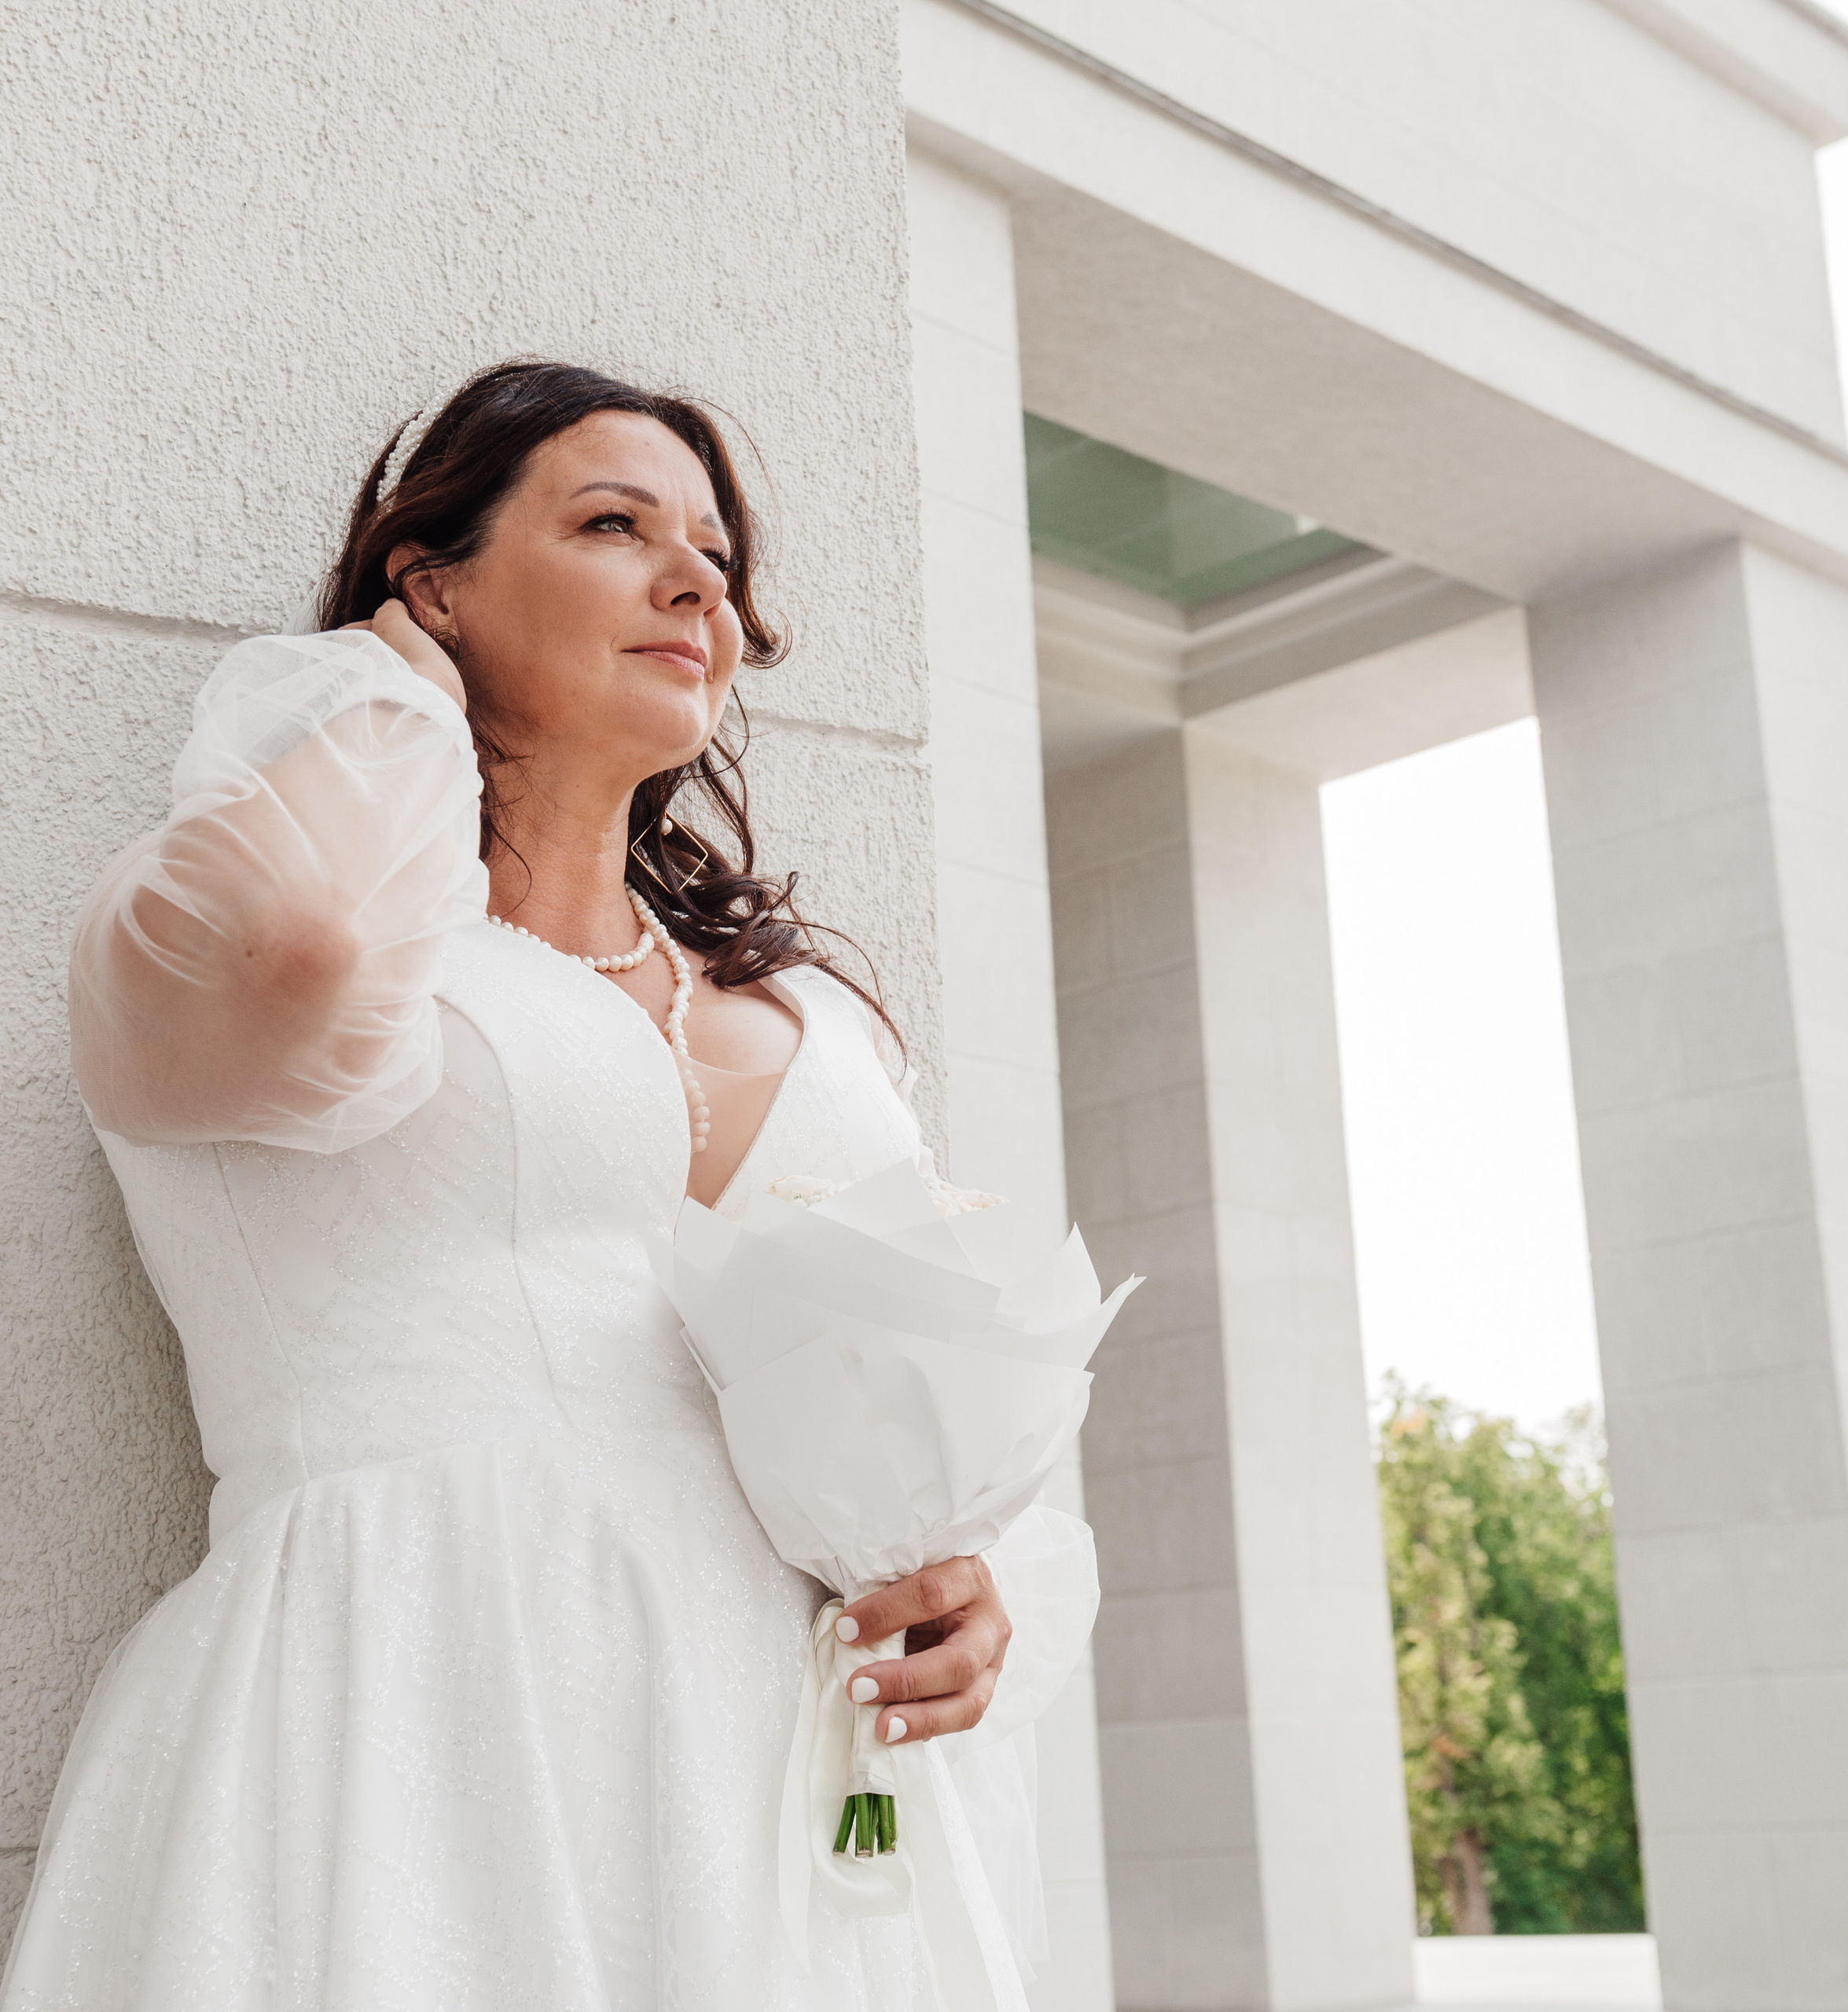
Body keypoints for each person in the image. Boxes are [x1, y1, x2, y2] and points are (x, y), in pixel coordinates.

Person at [2, 361, 1097, 2011]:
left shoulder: (808, 1013)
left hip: (783, 1778)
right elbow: (298, 944)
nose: (693, 585)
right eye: (613, 525)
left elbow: (913, 1375)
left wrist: (967, 1584)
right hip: (424, 1709)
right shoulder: (297, 936)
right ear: (430, 578)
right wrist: (389, 687)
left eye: (716, 559)